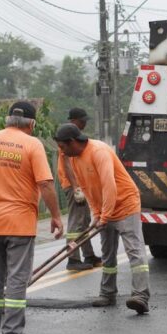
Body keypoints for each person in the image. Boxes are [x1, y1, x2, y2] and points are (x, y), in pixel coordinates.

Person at [0, 101, 64, 334]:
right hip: (20, 223)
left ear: (7, 119)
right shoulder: (32, 144)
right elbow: (45, 184)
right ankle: (13, 333)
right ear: (31, 123)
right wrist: (56, 216)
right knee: (15, 280)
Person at [53, 123, 151, 314]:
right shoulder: (73, 159)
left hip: (125, 205)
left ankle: (141, 295)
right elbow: (88, 188)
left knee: (134, 251)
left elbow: (109, 185)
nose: (61, 152)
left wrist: (105, 215)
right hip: (105, 208)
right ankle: (107, 293)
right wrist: (97, 215)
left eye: (63, 147)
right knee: (107, 253)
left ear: (73, 142)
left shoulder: (99, 151)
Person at [57, 108, 102, 271]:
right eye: (82, 120)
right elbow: (68, 164)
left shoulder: (73, 135)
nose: (84, 123)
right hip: (72, 184)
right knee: (76, 221)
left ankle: (88, 254)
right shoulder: (67, 136)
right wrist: (76, 188)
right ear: (73, 121)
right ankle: (73, 258)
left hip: (78, 184)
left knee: (83, 220)